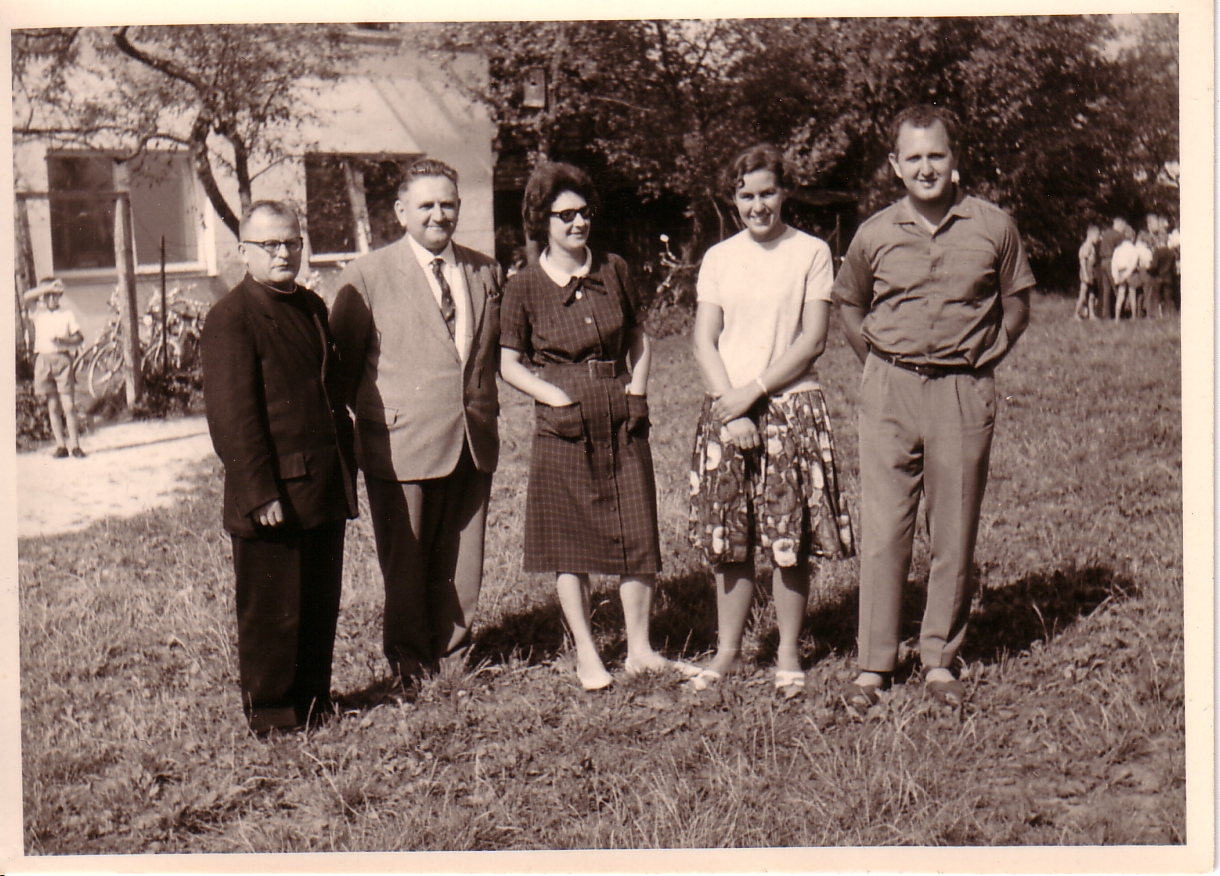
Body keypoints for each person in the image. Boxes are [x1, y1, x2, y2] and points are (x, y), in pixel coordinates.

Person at [834, 105, 1034, 708]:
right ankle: (875, 663)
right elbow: (848, 304)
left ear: (955, 160)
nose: (926, 167)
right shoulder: (873, 233)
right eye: (913, 157)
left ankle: (939, 658)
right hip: (891, 388)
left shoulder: (993, 226)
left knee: (954, 527)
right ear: (896, 166)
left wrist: (988, 355)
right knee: (885, 528)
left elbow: (1017, 300)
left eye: (936, 155)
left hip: (961, 389)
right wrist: (876, 363)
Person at [499, 162, 683, 691]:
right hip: (562, 418)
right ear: (543, 222)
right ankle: (587, 653)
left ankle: (641, 648)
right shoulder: (524, 287)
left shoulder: (614, 269)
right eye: (566, 216)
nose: (579, 224)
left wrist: (638, 388)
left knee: (637, 528)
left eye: (585, 213)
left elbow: (639, 337)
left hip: (620, 408)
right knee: (568, 540)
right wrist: (554, 396)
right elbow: (509, 363)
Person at [687, 144, 856, 696]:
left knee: (790, 539)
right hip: (727, 408)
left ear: (784, 193)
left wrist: (755, 392)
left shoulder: (810, 252)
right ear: (732, 199)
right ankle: (728, 653)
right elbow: (703, 339)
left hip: (790, 406)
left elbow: (813, 340)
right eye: (746, 195)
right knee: (729, 539)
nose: (757, 206)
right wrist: (729, 404)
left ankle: (787, 654)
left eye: (767, 193)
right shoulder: (718, 257)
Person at [330, 159, 503, 688]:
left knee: (463, 555)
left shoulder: (484, 269)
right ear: (401, 211)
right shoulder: (367, 276)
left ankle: (452, 651)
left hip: (471, 434)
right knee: (405, 560)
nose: (438, 214)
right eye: (425, 205)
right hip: (401, 440)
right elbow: (342, 367)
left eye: (447, 203)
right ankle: (409, 661)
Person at [201, 200, 358, 735]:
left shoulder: (312, 306)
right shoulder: (231, 317)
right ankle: (271, 714)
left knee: (317, 601)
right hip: (272, 495)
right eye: (269, 244)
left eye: (291, 241)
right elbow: (232, 419)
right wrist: (259, 491)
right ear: (243, 251)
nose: (283, 252)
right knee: (272, 611)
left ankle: (314, 701)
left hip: (319, 488)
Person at [25, 278, 85, 458]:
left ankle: (75, 445)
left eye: (55, 295)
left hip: (62, 361)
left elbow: (79, 338)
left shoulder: (66, 314)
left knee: (69, 405)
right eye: (47, 295)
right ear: (42, 297)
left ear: (60, 296)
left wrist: (64, 341)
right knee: (52, 405)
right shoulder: (38, 313)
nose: (52, 299)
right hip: (44, 361)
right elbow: (26, 296)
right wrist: (47, 287)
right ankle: (61, 445)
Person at [1095, 217, 1127, 320]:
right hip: (1111, 261)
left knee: (1106, 289)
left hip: (1103, 262)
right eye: (1123, 226)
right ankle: (1120, 313)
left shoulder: (1106, 234)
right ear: (1120, 224)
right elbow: (1121, 251)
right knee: (1116, 287)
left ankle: (1106, 314)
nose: (1124, 228)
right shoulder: (1119, 236)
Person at [1111, 227, 1139, 320]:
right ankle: (1134, 316)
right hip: (1129, 272)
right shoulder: (1133, 249)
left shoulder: (1117, 249)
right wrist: (1127, 274)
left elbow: (1113, 263)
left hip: (1120, 271)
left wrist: (1116, 277)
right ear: (1132, 238)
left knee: (1120, 295)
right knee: (1132, 294)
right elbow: (1133, 264)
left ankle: (1117, 318)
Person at [1074, 225, 1100, 320]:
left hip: (1091, 272)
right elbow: (1083, 261)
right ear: (1091, 235)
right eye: (1097, 236)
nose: (1098, 238)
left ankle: (1091, 314)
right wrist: (1085, 274)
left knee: (1092, 294)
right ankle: (1076, 314)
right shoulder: (1086, 246)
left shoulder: (1092, 247)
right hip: (1086, 272)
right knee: (1083, 294)